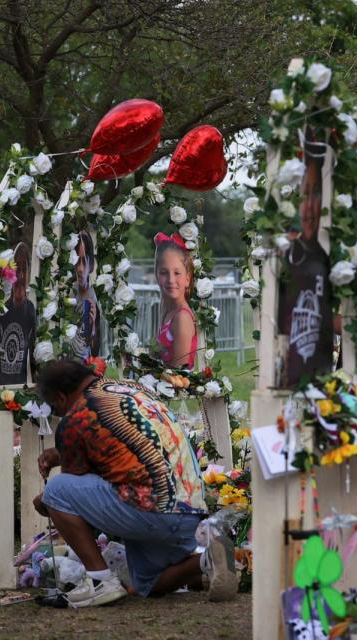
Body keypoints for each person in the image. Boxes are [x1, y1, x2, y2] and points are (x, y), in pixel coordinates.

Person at [32, 359, 237, 607]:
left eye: (55, 409)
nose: (59, 414)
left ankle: (100, 582)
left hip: (150, 510)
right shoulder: (133, 390)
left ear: (60, 398)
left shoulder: (77, 416)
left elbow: (76, 486)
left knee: (56, 490)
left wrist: (46, 502)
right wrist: (62, 452)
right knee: (147, 583)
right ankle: (207, 559)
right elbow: (123, 452)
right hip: (190, 513)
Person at [277, 141, 334, 388]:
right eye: (306, 193)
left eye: (317, 195)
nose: (310, 205)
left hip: (321, 371)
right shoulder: (289, 255)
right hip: (289, 370)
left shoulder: (329, 253)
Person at [0, 243, 36, 385]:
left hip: (23, 382)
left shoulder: (30, 309)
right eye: (17, 271)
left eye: (24, 270)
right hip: (4, 383)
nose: (21, 276)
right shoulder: (3, 310)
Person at [154, 231, 198, 369]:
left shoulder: (182, 318)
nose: (171, 280)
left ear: (187, 278)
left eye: (177, 273)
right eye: (163, 272)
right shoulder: (168, 310)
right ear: (156, 274)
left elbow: (178, 377)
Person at [72, 231, 100, 361]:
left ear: (91, 265)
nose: (80, 268)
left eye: (84, 261)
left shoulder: (94, 298)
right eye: (77, 261)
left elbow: (95, 352)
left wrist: (92, 327)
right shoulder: (67, 293)